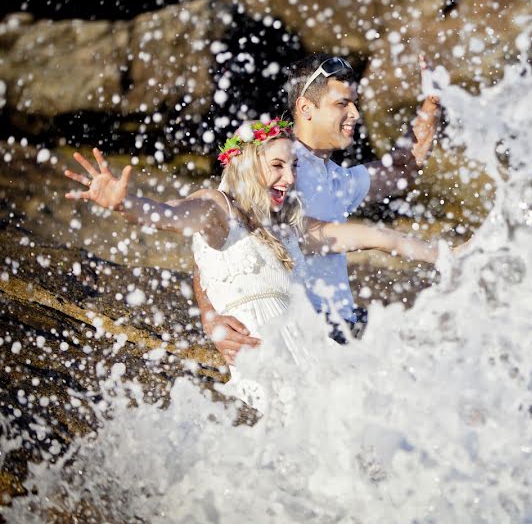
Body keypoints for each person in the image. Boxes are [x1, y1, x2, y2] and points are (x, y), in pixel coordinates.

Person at [63, 122, 456, 370]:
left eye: (294, 167)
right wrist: (126, 204)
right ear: (249, 167)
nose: (289, 178)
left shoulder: (289, 227)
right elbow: (171, 214)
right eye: (278, 166)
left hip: (315, 361)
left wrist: (446, 256)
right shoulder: (218, 209)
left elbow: (377, 237)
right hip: (264, 366)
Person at [195, 53, 443, 357]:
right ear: (305, 108)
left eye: (354, 103)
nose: (354, 113)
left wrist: (431, 105)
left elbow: (403, 169)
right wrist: (212, 319)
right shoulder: (269, 163)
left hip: (343, 324)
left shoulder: (336, 177)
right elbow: (212, 239)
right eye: (342, 104)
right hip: (303, 333)